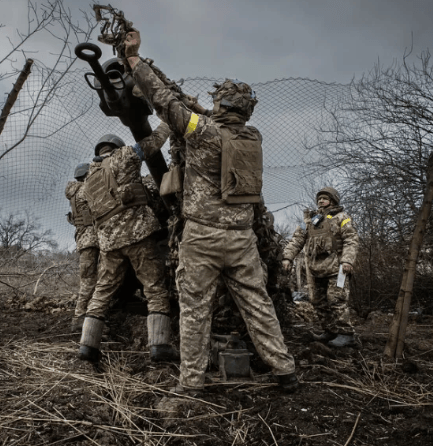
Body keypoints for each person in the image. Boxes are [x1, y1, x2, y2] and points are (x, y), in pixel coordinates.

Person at [124, 31, 298, 393]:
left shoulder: (201, 132)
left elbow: (163, 102)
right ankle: (285, 371)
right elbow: (213, 121)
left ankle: (191, 383)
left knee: (194, 310)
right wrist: (204, 109)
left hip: (202, 237)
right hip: (242, 238)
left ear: (220, 107)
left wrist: (135, 60)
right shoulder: (253, 137)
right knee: (257, 304)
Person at [78, 127, 179, 363]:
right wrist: (168, 120)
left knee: (102, 292)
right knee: (154, 288)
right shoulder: (123, 156)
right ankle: (160, 346)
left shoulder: (89, 178)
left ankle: (87, 347)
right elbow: (152, 143)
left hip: (108, 244)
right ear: (116, 147)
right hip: (137, 235)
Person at [282, 187, 359, 347]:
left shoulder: (341, 218)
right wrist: (288, 257)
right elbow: (297, 240)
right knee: (317, 301)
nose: (321, 201)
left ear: (333, 200)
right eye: (319, 199)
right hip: (315, 269)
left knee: (336, 300)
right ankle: (330, 331)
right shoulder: (310, 221)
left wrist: (347, 261)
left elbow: (351, 239)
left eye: (325, 198)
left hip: (337, 269)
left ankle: (346, 334)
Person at [65, 163, 99, 334]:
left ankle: (83, 317)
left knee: (89, 279)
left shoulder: (74, 192)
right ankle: (80, 319)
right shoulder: (86, 189)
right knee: (90, 281)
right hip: (92, 240)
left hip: (83, 240)